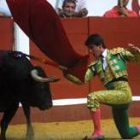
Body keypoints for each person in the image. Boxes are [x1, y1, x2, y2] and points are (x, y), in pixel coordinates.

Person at [62, 34, 140, 139]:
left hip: (124, 93)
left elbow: (137, 59)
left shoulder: (118, 53)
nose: (90, 51)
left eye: (91, 47)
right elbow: (82, 80)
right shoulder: (95, 65)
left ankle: (98, 133)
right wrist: (67, 74)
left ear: (99, 45)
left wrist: (136, 51)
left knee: (92, 97)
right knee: (127, 134)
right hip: (116, 101)